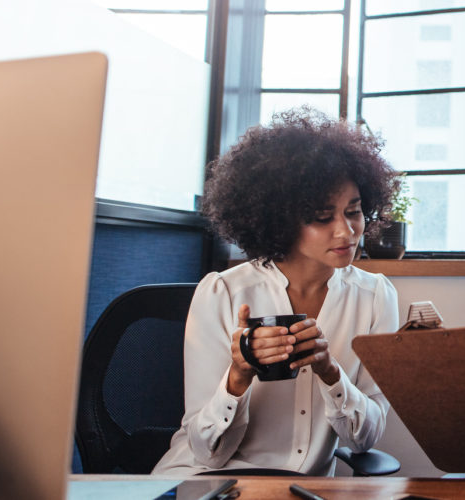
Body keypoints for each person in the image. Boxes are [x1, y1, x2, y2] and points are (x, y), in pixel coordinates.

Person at [153, 107, 401, 475]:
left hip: (301, 490)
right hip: (208, 481)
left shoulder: (376, 297)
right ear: (280, 218)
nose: (347, 231)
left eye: (354, 211)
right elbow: (206, 451)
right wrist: (238, 376)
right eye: (323, 218)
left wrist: (331, 373)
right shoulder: (223, 293)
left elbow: (365, 439)